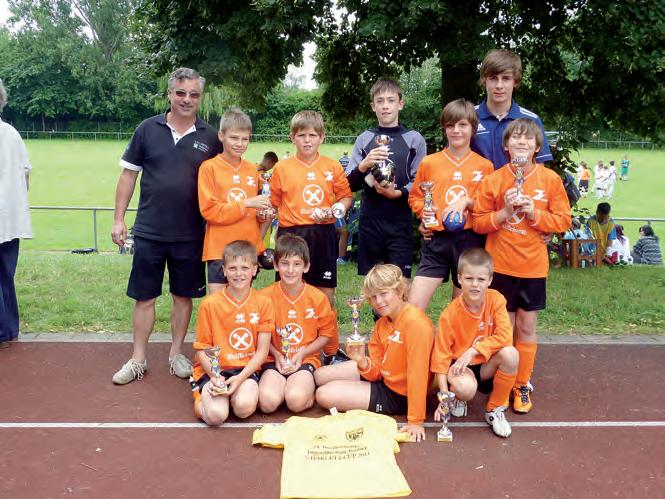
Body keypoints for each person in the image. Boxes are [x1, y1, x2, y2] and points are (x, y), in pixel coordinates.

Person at [111, 68, 222, 385]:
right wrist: (119, 218)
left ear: (200, 97)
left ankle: (176, 354)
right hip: (149, 230)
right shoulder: (147, 129)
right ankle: (138, 359)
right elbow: (128, 175)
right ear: (170, 94)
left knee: (182, 297)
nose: (187, 99)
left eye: (194, 94)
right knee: (144, 297)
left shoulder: (211, 137)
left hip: (191, 234)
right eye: (181, 93)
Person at [473, 118, 571, 413]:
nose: (521, 143)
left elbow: (563, 221)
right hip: (500, 266)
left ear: (537, 147)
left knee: (526, 327)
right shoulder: (494, 180)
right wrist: (505, 212)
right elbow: (479, 223)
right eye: (515, 138)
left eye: (527, 139)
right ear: (506, 145)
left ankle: (521, 384)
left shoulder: (550, 180)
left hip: (532, 268)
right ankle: (503, 384)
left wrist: (535, 214)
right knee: (505, 328)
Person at [315, 264, 434, 442]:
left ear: (400, 290)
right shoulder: (381, 323)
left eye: (384, 293)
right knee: (320, 375)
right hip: (384, 378)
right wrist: (362, 361)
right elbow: (377, 371)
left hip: (400, 395)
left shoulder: (417, 324)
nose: (378, 301)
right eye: (373, 297)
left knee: (323, 394)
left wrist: (416, 421)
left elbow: (418, 374)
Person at [269, 110, 352, 364]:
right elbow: (273, 204)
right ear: (292, 137)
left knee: (325, 296)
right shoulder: (282, 168)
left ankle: (331, 351)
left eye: (313, 135)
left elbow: (346, 197)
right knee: (287, 292)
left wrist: (335, 210)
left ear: (322, 137)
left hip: (322, 234)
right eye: (302, 135)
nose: (307, 140)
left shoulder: (332, 166)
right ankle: (287, 349)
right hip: (291, 235)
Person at [408, 99, 493, 311]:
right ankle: (417, 334)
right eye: (450, 125)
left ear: (473, 128)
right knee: (414, 305)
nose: (456, 130)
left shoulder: (484, 166)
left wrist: (468, 202)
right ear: (444, 128)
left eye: (462, 125)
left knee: (463, 307)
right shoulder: (430, 162)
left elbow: (488, 207)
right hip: (436, 239)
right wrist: (424, 213)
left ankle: (457, 334)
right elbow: (415, 197)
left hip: (469, 239)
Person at [430, 248, 518, 437]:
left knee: (511, 354)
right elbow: (440, 359)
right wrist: (444, 396)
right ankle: (457, 397)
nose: (475, 285)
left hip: (485, 364)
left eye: (481, 279)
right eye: (469, 278)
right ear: (459, 278)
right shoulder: (450, 315)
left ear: (490, 280)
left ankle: (495, 410)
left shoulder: (496, 300)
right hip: (461, 367)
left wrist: (472, 351)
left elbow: (505, 336)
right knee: (466, 388)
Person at [345, 77, 427, 279]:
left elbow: (420, 181)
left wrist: (397, 193)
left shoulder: (415, 139)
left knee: (400, 281)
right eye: (380, 101)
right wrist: (364, 166)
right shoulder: (364, 138)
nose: (385, 106)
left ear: (400, 104)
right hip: (370, 220)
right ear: (373, 106)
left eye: (391, 100)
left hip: (400, 220)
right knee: (372, 282)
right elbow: (348, 184)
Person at [190, 240, 274, 425]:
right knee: (216, 417)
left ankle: (231, 397)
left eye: (245, 268)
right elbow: (202, 349)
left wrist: (241, 378)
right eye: (233, 268)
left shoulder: (264, 303)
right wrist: (216, 376)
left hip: (245, 369)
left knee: (244, 409)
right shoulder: (209, 304)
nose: (238, 273)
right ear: (224, 270)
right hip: (215, 370)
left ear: (255, 270)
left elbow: (262, 351)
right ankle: (201, 400)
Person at [258, 234, 336, 414]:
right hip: (273, 359)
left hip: (305, 359)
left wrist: (303, 352)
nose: (290, 270)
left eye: (297, 264)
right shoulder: (263, 297)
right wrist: (276, 354)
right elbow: (260, 334)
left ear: (306, 267)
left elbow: (326, 334)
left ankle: (305, 391)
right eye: (284, 263)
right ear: (276, 265)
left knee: (295, 401)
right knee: (267, 403)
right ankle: (283, 388)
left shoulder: (317, 297)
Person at [198, 109, 272, 293]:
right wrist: (246, 203)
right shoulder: (209, 168)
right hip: (219, 248)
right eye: (234, 138)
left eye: (245, 139)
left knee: (242, 303)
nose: (240, 144)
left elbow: (254, 212)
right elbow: (210, 211)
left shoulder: (252, 170)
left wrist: (263, 214)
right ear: (221, 136)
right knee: (218, 303)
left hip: (247, 247)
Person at [471, 49, 553, 170]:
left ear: (515, 81)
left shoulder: (531, 120)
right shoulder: (468, 117)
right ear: (484, 80)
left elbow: (538, 170)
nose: (499, 85)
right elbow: (454, 160)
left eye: (506, 78)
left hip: (517, 182)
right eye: (493, 78)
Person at [0, 78, 32, 350]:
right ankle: (9, 329)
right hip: (10, 220)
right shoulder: (11, 134)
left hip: (7, 218)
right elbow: (25, 176)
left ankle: (4, 331)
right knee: (5, 275)